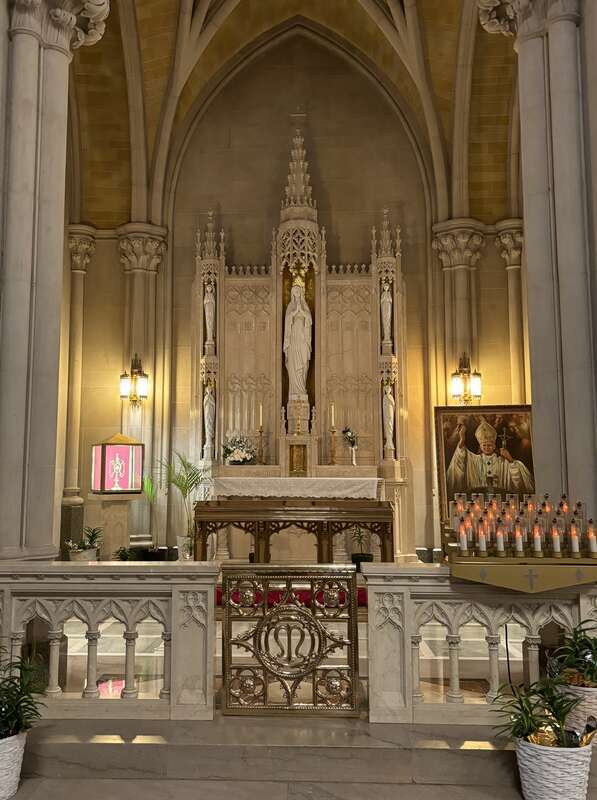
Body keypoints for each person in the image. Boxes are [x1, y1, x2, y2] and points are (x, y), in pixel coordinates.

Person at [447, 417, 535, 497]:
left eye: (489, 445)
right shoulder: (474, 460)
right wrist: (462, 439)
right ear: (480, 446)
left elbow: (518, 479)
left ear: (494, 446)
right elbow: (461, 458)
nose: (486, 448)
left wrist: (510, 459)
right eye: (484, 445)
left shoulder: (502, 462)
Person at [283, 281, 312, 400]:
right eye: (294, 291)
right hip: (293, 339)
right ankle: (294, 391)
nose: (297, 293)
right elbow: (287, 322)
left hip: (302, 339)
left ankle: (301, 389)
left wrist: (303, 312)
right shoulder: (290, 306)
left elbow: (309, 320)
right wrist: (295, 312)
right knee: (293, 365)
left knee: (303, 363)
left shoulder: (305, 306)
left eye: (298, 291)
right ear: (292, 294)